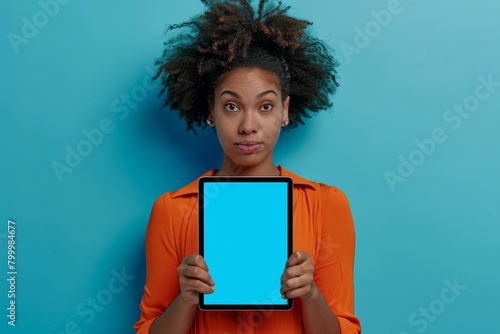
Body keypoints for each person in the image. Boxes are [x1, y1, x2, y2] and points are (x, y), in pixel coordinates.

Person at [134, 0, 361, 333]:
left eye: (265, 106)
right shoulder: (172, 211)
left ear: (285, 110)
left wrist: (310, 293)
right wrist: (185, 297)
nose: (248, 126)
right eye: (231, 106)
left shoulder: (327, 206)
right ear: (210, 111)